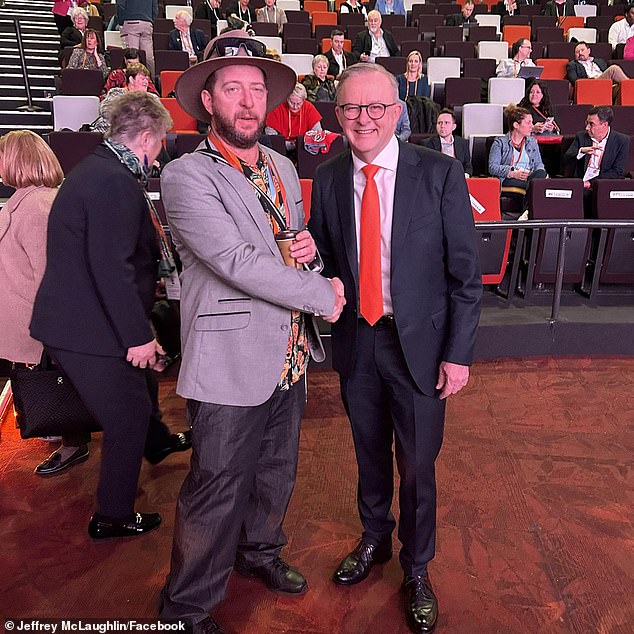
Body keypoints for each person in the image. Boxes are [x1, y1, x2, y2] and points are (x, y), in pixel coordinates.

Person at [158, 31, 345, 634]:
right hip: (229, 361)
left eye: (257, 90)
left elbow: (285, 248)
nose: (247, 102)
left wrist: (309, 253)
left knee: (275, 471)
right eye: (232, 88)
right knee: (216, 486)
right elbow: (235, 261)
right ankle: (186, 609)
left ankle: (259, 553)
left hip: (289, 354)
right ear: (207, 100)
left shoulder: (285, 168)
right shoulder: (187, 175)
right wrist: (323, 291)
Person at [308, 62, 481, 634]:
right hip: (358, 341)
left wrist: (457, 355)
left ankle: (417, 567)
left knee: (418, 465)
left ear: (399, 111)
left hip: (423, 351)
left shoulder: (439, 174)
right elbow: (330, 263)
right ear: (338, 115)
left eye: (376, 107)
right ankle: (375, 539)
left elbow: (465, 278)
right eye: (352, 108)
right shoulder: (329, 178)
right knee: (367, 452)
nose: (365, 118)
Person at [30, 92, 174, 539]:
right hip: (84, 326)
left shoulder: (96, 169)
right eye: (161, 142)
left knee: (138, 389)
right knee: (128, 412)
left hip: (80, 319)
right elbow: (111, 267)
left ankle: (157, 444)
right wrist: (138, 336)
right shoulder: (114, 181)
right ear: (146, 137)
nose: (161, 152)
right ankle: (112, 515)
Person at [0, 132, 87, 472]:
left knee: (58, 386)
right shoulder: (30, 201)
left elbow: (50, 274)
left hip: (40, 320)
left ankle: (72, 444)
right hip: (31, 316)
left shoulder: (37, 206)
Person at [563, 106, 630, 216]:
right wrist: (581, 151)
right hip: (580, 183)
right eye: (587, 123)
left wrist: (591, 183)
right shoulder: (581, 137)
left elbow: (618, 172)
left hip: (603, 184)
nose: (587, 128)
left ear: (604, 125)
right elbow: (566, 160)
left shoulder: (622, 141)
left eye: (591, 124)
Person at [488, 105, 547, 214]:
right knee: (535, 188)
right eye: (528, 123)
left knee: (540, 175)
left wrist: (532, 174)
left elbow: (539, 165)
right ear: (516, 125)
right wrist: (512, 173)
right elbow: (492, 167)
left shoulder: (532, 142)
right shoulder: (500, 143)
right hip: (508, 179)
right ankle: (529, 214)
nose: (532, 126)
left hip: (529, 178)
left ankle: (526, 214)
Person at [92, 63, 153, 133]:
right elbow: (106, 112)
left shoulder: (152, 98)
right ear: (131, 80)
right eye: (142, 78)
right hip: (109, 134)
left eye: (147, 79)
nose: (146, 82)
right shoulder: (116, 93)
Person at [265, 83, 322, 150]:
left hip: (304, 149)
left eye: (299, 103)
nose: (295, 107)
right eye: (291, 102)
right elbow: (271, 138)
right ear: (287, 98)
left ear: (304, 100)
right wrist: (288, 145)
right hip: (281, 149)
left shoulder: (309, 108)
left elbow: (318, 135)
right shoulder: (278, 107)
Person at [423, 108, 473, 177]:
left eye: (446, 123)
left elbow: (468, 165)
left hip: (458, 179)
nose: (442, 126)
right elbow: (427, 167)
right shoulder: (427, 144)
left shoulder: (463, 143)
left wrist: (466, 175)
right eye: (439, 123)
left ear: (454, 126)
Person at [117, 0, 157, 77]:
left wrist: (121, 22)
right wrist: (150, 20)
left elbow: (120, 5)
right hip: (147, 23)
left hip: (130, 22)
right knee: (148, 58)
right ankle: (151, 83)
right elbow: (155, 7)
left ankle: (132, 83)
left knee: (132, 56)